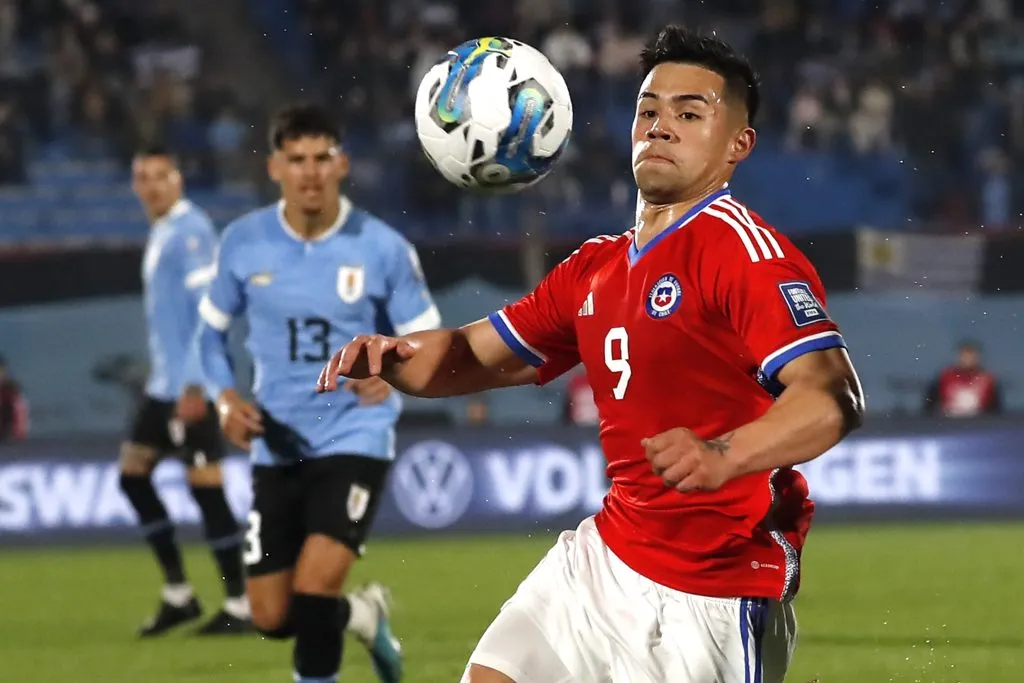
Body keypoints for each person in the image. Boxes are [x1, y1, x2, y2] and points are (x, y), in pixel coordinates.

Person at [318, 25, 865, 683]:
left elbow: (832, 397)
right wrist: (393, 355)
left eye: (690, 114)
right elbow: (472, 352)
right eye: (649, 111)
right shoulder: (596, 269)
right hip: (604, 557)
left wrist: (725, 453)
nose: (660, 127)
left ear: (736, 146)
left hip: (712, 593)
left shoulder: (743, 253)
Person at [196, 103, 440, 683]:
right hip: (275, 443)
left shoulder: (381, 247)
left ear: (342, 164)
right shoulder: (243, 242)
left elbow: (429, 340)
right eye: (297, 159)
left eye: (322, 158)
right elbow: (207, 336)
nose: (310, 171)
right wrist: (225, 399)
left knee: (310, 594)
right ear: (275, 167)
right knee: (272, 614)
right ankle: (361, 613)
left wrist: (393, 370)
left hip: (355, 435)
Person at [121, 146, 252, 636]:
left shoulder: (192, 232)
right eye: (142, 177)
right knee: (133, 477)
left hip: (188, 386)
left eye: (160, 176)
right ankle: (179, 593)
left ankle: (239, 603)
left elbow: (209, 309)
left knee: (207, 490)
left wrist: (198, 382)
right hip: (163, 387)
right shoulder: (164, 231)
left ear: (177, 180)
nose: (151, 186)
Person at [923, 340, 1003, 417]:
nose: (968, 359)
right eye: (965, 355)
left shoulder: (987, 380)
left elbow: (995, 409)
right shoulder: (945, 377)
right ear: (959, 356)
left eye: (971, 355)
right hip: (948, 423)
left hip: (979, 424)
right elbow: (929, 406)